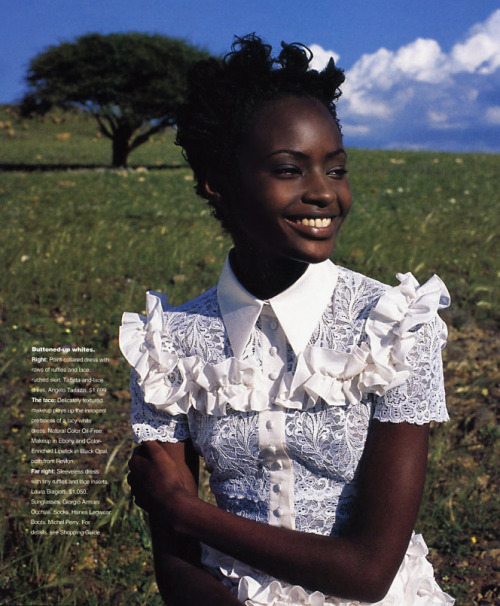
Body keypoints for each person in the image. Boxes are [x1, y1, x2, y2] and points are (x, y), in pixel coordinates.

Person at [120, 35, 455, 605]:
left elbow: (369, 572)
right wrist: (183, 522)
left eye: (336, 169)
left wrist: (185, 509)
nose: (324, 192)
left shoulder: (395, 327)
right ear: (217, 183)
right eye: (288, 169)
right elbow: (176, 570)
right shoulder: (167, 345)